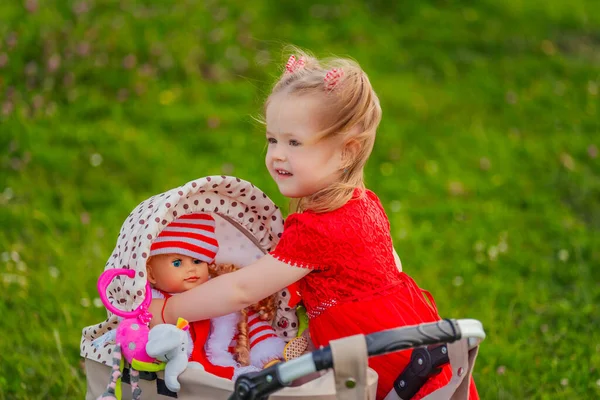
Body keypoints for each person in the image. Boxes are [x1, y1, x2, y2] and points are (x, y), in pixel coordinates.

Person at [154, 50, 479, 399]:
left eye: (294, 142)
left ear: (346, 153)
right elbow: (392, 265)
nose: (277, 154)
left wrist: (169, 309)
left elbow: (243, 290)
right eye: (272, 139)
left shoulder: (317, 228)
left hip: (377, 357)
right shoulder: (364, 203)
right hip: (410, 337)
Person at [147, 213, 284, 379]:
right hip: (174, 370)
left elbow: (251, 326)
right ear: (151, 274)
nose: (191, 269)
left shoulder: (217, 295)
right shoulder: (152, 303)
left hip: (220, 366)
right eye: (177, 263)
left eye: (198, 261)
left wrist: (267, 356)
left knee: (249, 379)